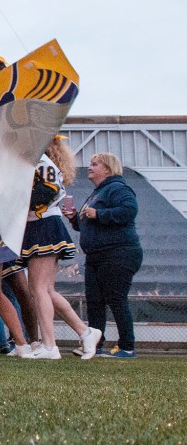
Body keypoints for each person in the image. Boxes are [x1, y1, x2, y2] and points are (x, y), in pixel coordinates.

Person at [21, 136, 102, 360]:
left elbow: (47, 191)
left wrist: (16, 200)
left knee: (38, 288)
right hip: (41, 224)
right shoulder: (42, 162)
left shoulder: (41, 162)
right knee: (46, 290)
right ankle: (86, 332)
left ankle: (49, 345)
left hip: (43, 225)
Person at [63, 152, 142, 359]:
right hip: (97, 255)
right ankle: (95, 344)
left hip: (119, 252)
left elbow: (129, 211)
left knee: (116, 298)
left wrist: (99, 214)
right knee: (95, 301)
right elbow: (90, 225)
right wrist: (74, 219)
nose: (89, 167)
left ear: (107, 168)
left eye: (94, 164)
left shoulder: (117, 188)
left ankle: (127, 347)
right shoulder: (97, 193)